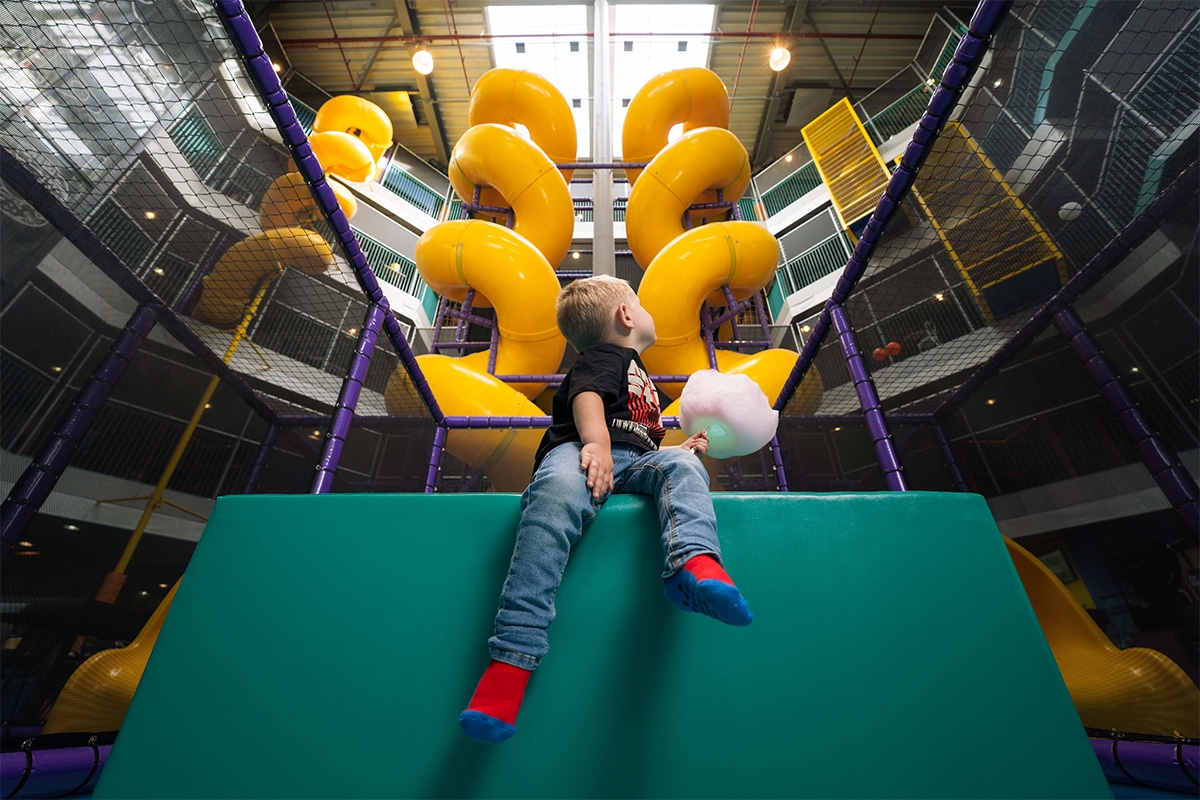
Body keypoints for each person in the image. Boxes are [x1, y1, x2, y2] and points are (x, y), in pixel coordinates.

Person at [458, 275, 753, 744]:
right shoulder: (605, 355)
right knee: (554, 496)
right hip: (581, 451)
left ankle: (694, 565)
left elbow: (642, 442)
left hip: (634, 460)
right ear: (626, 315)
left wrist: (679, 450)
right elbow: (587, 397)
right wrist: (594, 443)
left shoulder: (640, 376)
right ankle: (510, 664)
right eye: (641, 303)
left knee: (683, 466)